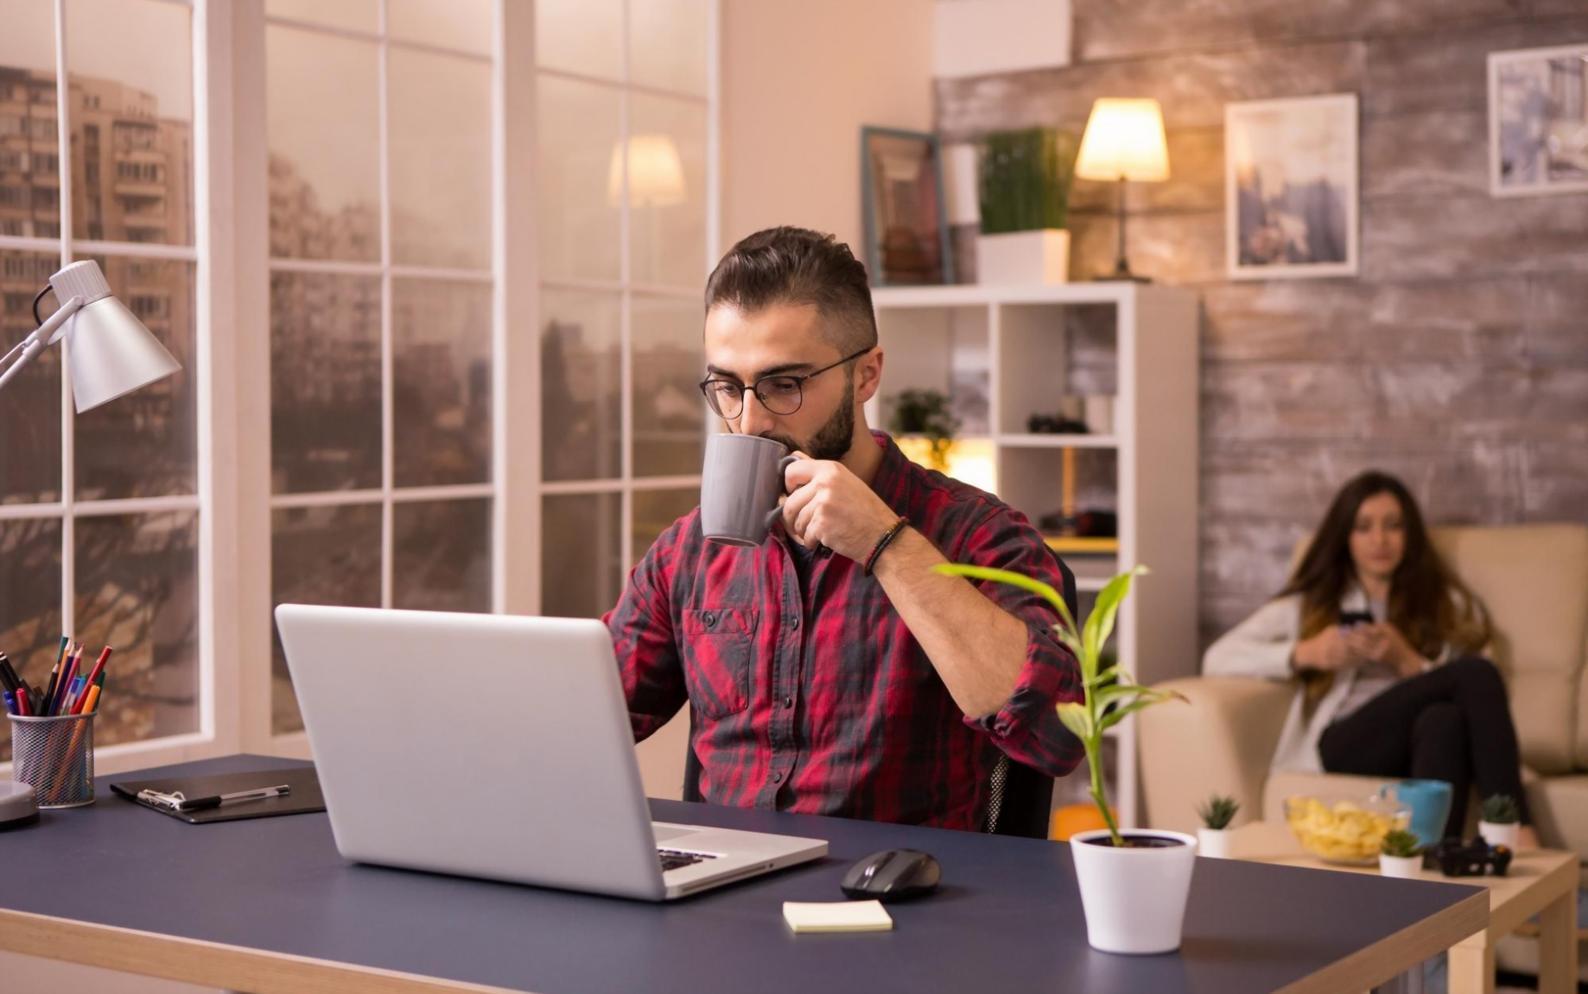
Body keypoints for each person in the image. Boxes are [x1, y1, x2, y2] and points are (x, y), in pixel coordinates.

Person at [603, 226, 1083, 831]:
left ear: (866, 375)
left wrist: (885, 544)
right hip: (724, 905)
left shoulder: (979, 535)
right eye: (726, 387)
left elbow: (1055, 733)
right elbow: (588, 719)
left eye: (784, 385)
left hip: (899, 904)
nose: (747, 420)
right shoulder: (689, 553)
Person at [1204, 470, 1534, 842]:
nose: (1380, 540)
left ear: (1410, 536)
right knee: (1476, 673)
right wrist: (1306, 652)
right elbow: (1217, 657)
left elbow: (1471, 695)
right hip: (1345, 742)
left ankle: (1430, 866)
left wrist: (1405, 659)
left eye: (1393, 526)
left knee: (1445, 721)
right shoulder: (1313, 603)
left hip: (1414, 740)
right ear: (1345, 537)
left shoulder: (1442, 603)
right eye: (1364, 527)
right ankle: (1516, 831)